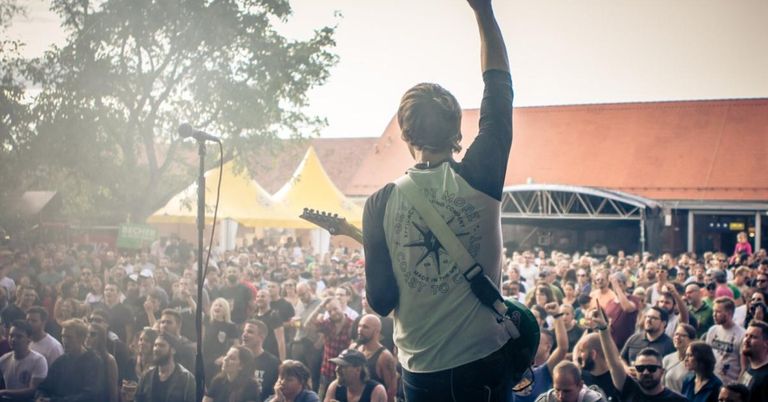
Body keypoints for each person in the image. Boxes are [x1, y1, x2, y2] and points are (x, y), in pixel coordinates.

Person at [363, 0, 515, 400]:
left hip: (422, 371)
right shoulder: (482, 173)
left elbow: (381, 302)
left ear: (404, 133)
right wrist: (483, 12)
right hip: (484, 362)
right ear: (457, 129)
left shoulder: (379, 203)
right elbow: (499, 88)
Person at [592, 304, 687, 402]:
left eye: (652, 368)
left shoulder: (678, 400)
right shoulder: (628, 390)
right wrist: (603, 328)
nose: (646, 372)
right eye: (640, 368)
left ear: (662, 371)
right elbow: (614, 363)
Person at [35, 318, 105, 402]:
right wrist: (40, 396)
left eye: (69, 337)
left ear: (81, 338)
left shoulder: (94, 362)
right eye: (63, 336)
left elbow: (89, 395)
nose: (65, 341)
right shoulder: (61, 361)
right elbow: (44, 386)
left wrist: (53, 401)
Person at [128, 333, 195, 402]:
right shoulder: (147, 376)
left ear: (173, 350)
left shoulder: (186, 379)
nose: (156, 349)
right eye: (155, 345)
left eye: (161, 346)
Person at [0, 320, 47, 401]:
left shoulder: (39, 360)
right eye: (11, 336)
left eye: (19, 336)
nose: (13, 339)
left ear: (29, 339)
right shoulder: (4, 359)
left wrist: (4, 392)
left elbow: (33, 390)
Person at [354, 315, 397, 402]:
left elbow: (391, 391)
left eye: (365, 327)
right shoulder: (354, 348)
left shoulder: (384, 357)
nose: (360, 330)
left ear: (377, 331)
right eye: (359, 326)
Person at [705, 297, 745, 384]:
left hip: (730, 385)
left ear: (729, 313)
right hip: (711, 383)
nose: (714, 315)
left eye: (718, 312)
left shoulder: (742, 334)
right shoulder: (712, 330)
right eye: (713, 311)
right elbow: (706, 357)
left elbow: (744, 367)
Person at [241, 319, 280, 402]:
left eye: (250, 332)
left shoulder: (273, 363)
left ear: (261, 337)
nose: (244, 335)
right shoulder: (238, 359)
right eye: (244, 331)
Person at [203, 298, 238, 386]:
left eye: (220, 305)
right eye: (215, 305)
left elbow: (236, 345)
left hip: (220, 360)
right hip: (205, 358)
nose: (217, 307)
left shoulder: (231, 326)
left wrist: (225, 357)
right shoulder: (206, 321)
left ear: (225, 309)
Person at [534, 361, 606, 402]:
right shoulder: (546, 400)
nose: (561, 396)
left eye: (567, 391)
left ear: (580, 386)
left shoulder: (594, 400)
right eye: (557, 390)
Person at [86, 322, 119, 402]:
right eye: (86, 334)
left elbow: (113, 391)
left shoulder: (109, 360)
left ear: (101, 338)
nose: (88, 337)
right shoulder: (82, 356)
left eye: (92, 334)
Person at [737, 320, 768, 402]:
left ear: (766, 343)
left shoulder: (766, 376)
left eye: (753, 337)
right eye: (746, 336)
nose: (746, 340)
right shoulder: (750, 368)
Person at [663, 323, 696, 394]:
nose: (677, 337)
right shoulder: (667, 359)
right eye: (676, 334)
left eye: (683, 335)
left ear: (692, 340)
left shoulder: (695, 362)